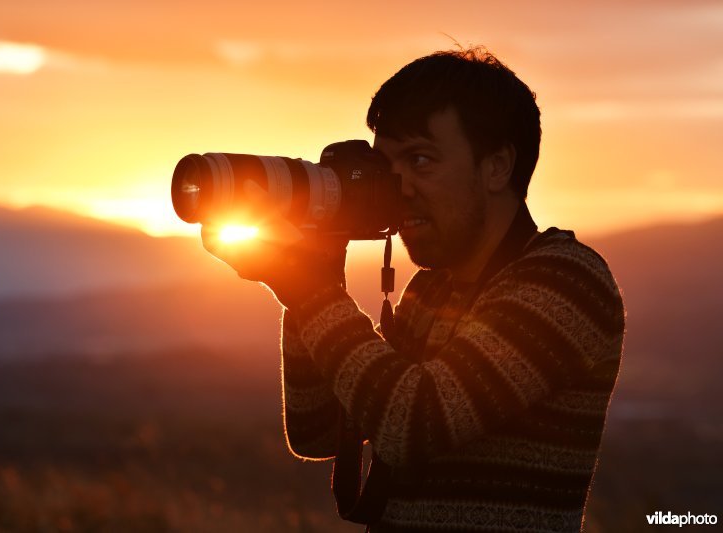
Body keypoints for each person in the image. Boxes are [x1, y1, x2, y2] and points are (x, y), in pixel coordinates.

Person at [201, 47, 625, 532]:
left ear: (497, 166)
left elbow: (415, 422)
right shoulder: (432, 290)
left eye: (420, 159)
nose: (396, 186)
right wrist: (312, 277)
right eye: (386, 165)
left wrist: (312, 293)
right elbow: (316, 431)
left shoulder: (567, 281)